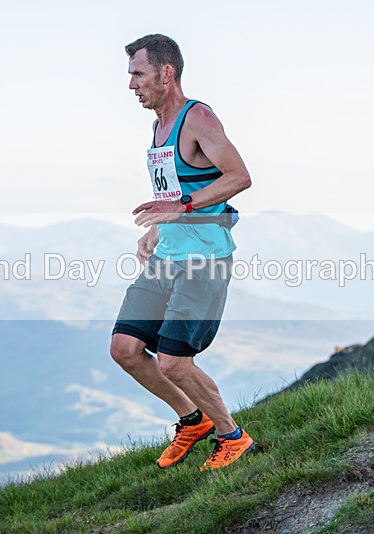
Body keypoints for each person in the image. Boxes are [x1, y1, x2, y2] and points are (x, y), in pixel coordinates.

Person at [110, 34, 255, 471]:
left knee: (174, 363)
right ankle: (193, 421)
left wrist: (182, 208)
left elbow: (239, 176)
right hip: (166, 257)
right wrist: (157, 230)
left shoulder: (198, 118)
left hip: (203, 261)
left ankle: (232, 437)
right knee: (125, 349)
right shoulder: (158, 128)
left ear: (165, 73)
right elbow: (175, 193)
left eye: (138, 74)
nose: (131, 84)